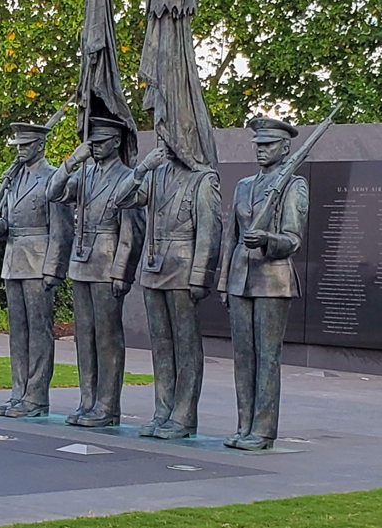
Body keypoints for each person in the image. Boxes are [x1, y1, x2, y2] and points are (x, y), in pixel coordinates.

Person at [113, 142, 222, 439]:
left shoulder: (203, 179)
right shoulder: (155, 174)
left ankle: (184, 416)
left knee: (185, 345)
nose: (167, 144)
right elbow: (120, 199)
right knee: (161, 346)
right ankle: (163, 412)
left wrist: (201, 275)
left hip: (183, 269)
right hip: (153, 267)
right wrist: (143, 167)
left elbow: (210, 230)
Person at [47, 117, 145, 427]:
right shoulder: (85, 175)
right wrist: (73, 160)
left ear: (115, 142)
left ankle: (107, 405)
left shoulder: (127, 178)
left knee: (107, 338)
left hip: (107, 262)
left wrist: (122, 272)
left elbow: (133, 230)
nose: (95, 148)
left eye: (100, 142)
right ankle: (87, 400)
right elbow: (53, 192)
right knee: (84, 337)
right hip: (82, 262)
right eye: (92, 143)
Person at [0, 123, 74, 418]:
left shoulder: (53, 178)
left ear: (39, 146)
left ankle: (37, 397)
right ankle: (19, 393)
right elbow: (6, 222)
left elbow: (62, 230)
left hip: (39, 261)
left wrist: (54, 269)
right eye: (17, 145)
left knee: (39, 332)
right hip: (13, 259)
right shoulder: (14, 180)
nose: (19, 150)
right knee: (18, 333)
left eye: (24, 145)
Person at [218, 118, 308, 451]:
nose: (260, 150)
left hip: (272, 279)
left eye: (268, 145)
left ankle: (263, 429)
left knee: (267, 357)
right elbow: (231, 238)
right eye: (258, 144)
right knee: (243, 357)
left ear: (285, 148)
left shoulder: (294, 185)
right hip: (241, 278)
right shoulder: (243, 185)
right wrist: (225, 279)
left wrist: (267, 239)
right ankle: (244, 424)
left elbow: (293, 239)